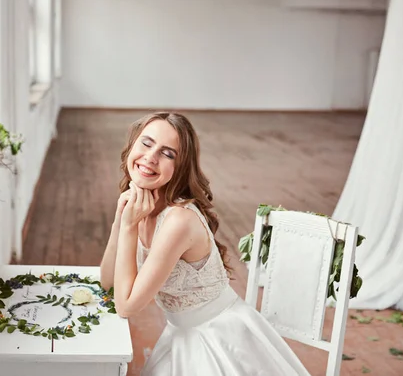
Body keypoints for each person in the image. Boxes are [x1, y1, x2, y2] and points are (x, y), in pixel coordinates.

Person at [100, 112, 311, 376]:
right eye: (146, 143)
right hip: (181, 336)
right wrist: (120, 221)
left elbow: (126, 306)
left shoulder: (179, 220)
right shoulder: (141, 204)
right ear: (132, 145)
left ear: (180, 166)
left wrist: (130, 227)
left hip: (218, 338)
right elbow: (108, 282)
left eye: (167, 153)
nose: (151, 157)